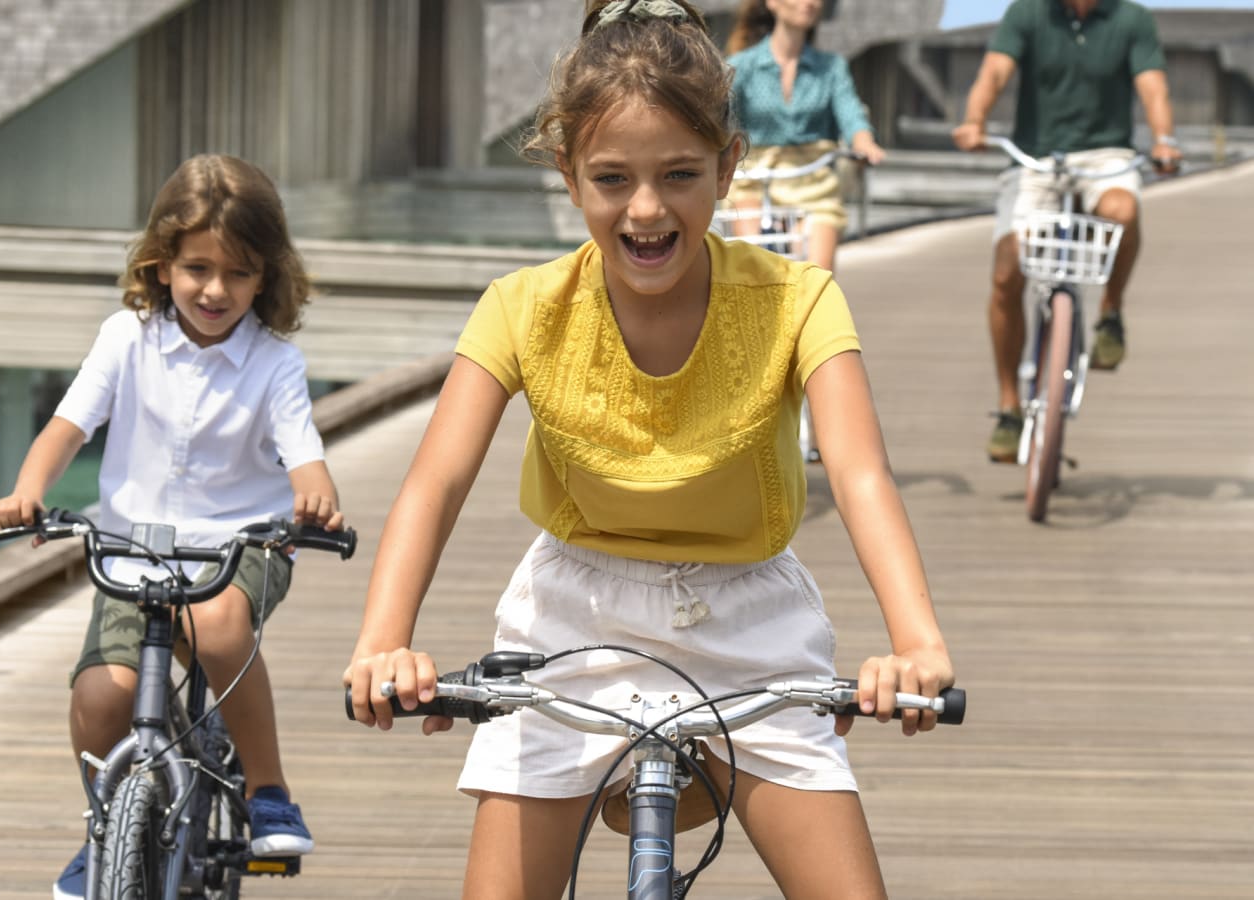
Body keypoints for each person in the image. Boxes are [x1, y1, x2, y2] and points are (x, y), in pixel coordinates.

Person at [343, 2, 954, 898]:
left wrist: (917, 642)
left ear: (729, 167)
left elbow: (862, 476)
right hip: (570, 618)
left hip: (753, 618)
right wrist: (382, 643)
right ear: (567, 174)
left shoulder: (798, 300)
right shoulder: (522, 306)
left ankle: (700, 768)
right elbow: (435, 482)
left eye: (679, 174)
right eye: (611, 178)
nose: (646, 209)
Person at [0, 154, 345, 900]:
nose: (215, 290)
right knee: (99, 697)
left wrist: (315, 493)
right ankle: (105, 823)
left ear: (266, 278)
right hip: (132, 550)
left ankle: (268, 790)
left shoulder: (275, 362)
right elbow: (68, 423)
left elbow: (301, 449)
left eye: (239, 273)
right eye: (197, 268)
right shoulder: (127, 338)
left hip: (241, 545)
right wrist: (26, 490)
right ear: (161, 266)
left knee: (215, 630)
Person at [951, 0, 1182, 463]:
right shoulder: (1028, 13)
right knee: (1006, 274)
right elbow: (995, 71)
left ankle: (1110, 315)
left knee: (1123, 211)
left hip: (1105, 154)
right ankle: (1008, 405)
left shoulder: (1131, 19)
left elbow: (1152, 87)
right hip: (1037, 157)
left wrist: (1164, 139)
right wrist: (975, 119)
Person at [724, 0, 885, 273]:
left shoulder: (832, 68)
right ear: (772, 4)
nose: (809, 2)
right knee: (747, 269)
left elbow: (850, 113)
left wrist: (863, 141)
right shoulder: (742, 66)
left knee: (817, 278)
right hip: (754, 179)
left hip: (813, 183)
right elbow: (718, 114)